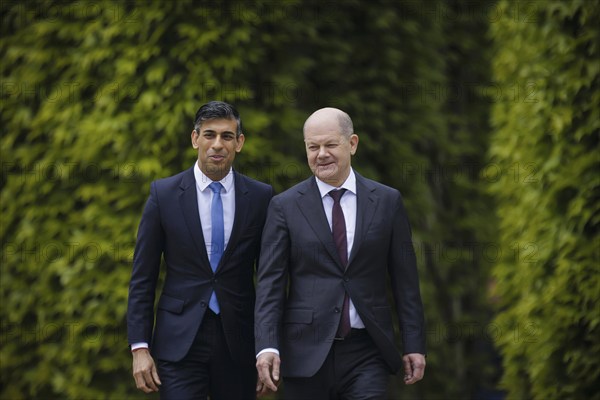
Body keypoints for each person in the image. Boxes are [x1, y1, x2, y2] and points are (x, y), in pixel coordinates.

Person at [254, 107, 426, 399]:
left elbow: (405, 281)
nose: (321, 154)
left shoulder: (387, 201)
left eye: (330, 144)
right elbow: (270, 284)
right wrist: (267, 345)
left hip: (366, 350)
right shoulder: (284, 206)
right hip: (304, 351)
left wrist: (414, 344)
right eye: (313, 146)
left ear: (352, 144)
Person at [127, 101, 273, 399]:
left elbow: (271, 278)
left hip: (240, 343)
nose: (217, 144)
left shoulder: (261, 197)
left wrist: (268, 346)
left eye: (227, 136)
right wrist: (139, 347)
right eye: (209, 135)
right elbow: (143, 276)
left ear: (239, 143)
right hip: (178, 343)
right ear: (195, 139)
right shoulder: (163, 194)